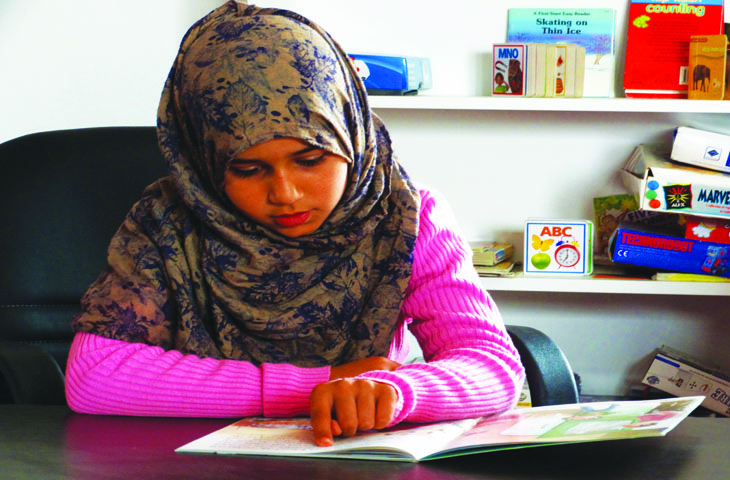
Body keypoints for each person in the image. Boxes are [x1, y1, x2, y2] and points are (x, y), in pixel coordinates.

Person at [65, 1, 525, 447]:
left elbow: (494, 366)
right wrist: (311, 387)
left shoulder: (408, 215)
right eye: (247, 170)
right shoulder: (168, 220)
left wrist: (396, 394)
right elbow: (94, 376)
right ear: (204, 164)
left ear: (350, 132)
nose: (284, 193)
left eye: (310, 159)